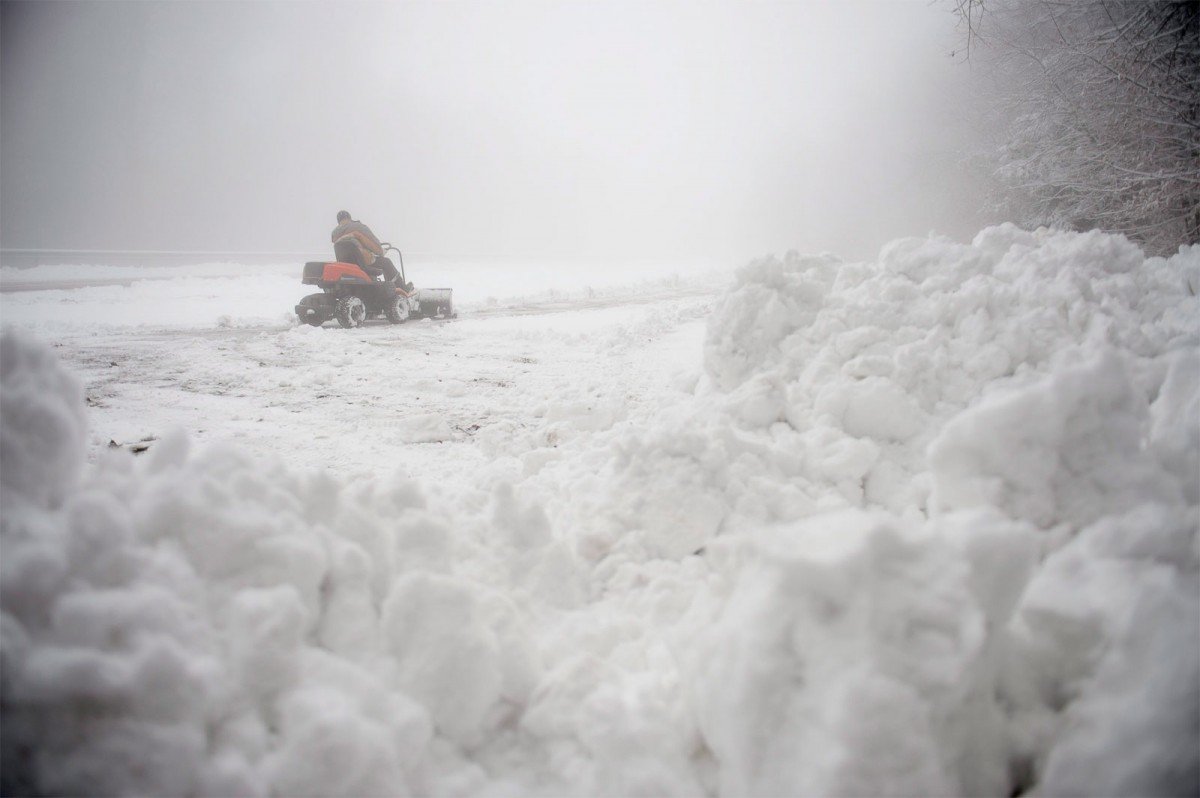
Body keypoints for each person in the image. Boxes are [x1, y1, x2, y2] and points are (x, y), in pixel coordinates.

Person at [330, 210, 401, 284]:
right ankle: (400, 287)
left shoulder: (335, 236)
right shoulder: (359, 227)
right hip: (362, 265)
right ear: (349, 218)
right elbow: (376, 247)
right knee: (386, 262)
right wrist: (380, 251)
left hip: (347, 266)